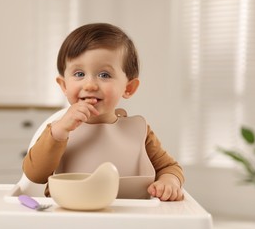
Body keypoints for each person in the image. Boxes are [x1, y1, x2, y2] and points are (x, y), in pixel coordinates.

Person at [23, 23, 184, 201]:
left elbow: (169, 167)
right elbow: (34, 174)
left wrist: (169, 182)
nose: (90, 84)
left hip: (128, 217)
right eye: (79, 73)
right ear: (64, 85)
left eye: (104, 75)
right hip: (69, 217)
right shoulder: (57, 132)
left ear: (128, 88)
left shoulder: (138, 130)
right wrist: (59, 132)